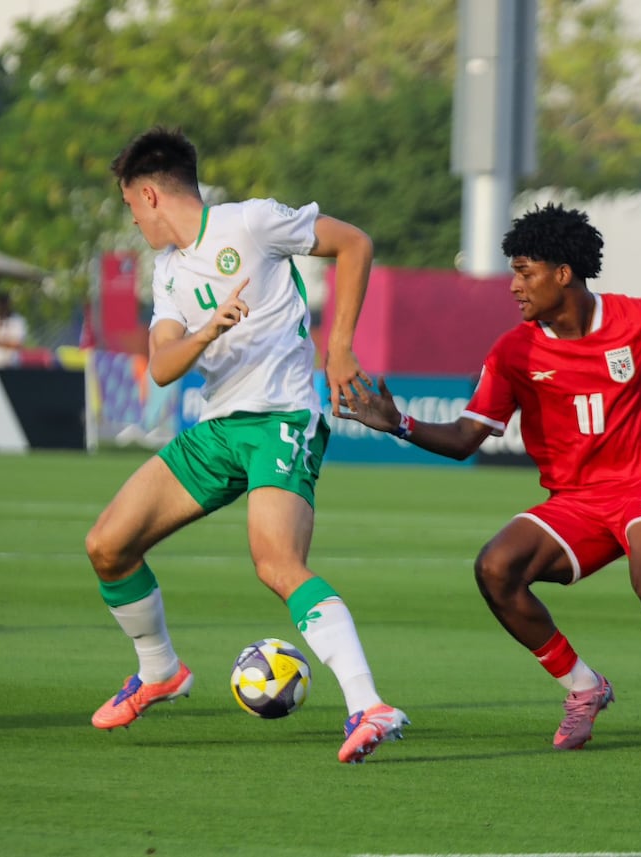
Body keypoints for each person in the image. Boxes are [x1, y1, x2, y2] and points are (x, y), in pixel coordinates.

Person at [338, 203, 641, 760]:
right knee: (496, 569)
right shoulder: (514, 351)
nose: (514, 286)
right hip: (576, 502)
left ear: (563, 273)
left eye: (525, 272)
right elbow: (463, 440)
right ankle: (583, 687)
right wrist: (399, 425)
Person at [85, 126, 407, 764]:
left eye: (128, 206)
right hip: (219, 430)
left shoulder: (251, 223)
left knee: (276, 563)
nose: (134, 220)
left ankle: (370, 705)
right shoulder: (171, 270)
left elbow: (354, 244)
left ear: (148, 195)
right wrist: (205, 332)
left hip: (282, 419)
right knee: (108, 547)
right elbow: (163, 363)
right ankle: (160, 673)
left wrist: (337, 348)